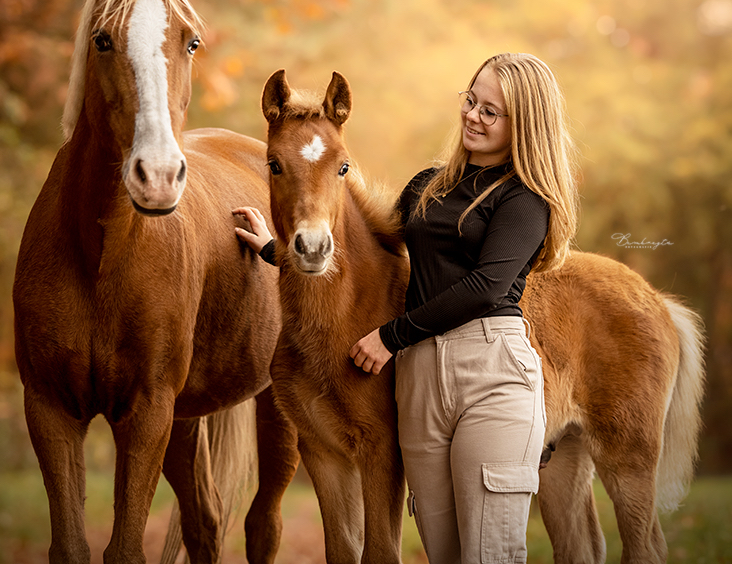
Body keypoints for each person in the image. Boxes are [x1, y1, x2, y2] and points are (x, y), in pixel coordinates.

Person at [234, 53, 578, 563]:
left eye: (492, 111)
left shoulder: (525, 199)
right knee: (442, 548)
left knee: (489, 552)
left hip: (488, 365)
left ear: (523, 124)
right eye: (471, 101)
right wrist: (277, 250)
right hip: (421, 370)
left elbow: (486, 286)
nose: (473, 117)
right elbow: (358, 246)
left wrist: (390, 335)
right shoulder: (428, 186)